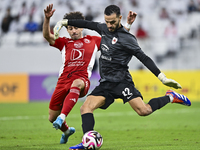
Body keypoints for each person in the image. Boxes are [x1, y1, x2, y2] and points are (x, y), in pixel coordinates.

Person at [53, 5, 192, 150]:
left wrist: (163, 78)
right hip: (105, 83)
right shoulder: (104, 29)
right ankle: (87, 141)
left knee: (143, 111)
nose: (109, 25)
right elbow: (86, 24)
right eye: (107, 21)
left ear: (119, 18)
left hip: (122, 82)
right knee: (85, 108)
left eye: (112, 22)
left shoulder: (128, 39)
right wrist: (63, 23)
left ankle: (170, 96)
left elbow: (144, 58)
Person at [43, 4, 136, 145]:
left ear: (81, 27)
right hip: (63, 81)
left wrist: (128, 24)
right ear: (67, 30)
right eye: (70, 28)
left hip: (82, 81)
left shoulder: (93, 40)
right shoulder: (64, 43)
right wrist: (47, 19)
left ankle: (63, 116)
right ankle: (67, 130)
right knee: (51, 117)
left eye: (76, 27)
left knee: (77, 83)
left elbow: (115, 41)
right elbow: (46, 36)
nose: (73, 31)